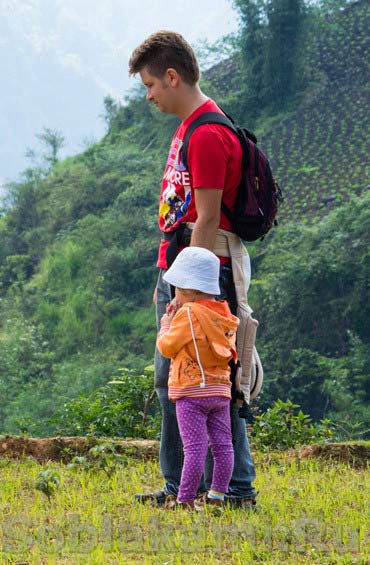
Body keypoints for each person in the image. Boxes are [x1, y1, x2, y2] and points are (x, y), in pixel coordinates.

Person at [128, 30, 258, 509]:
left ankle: (233, 488)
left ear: (172, 76)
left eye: (150, 85)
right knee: (180, 381)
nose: (148, 96)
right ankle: (187, 484)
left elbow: (205, 219)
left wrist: (187, 293)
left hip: (198, 276)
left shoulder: (206, 134)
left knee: (208, 382)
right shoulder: (191, 126)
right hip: (183, 271)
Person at [156, 247, 238, 510]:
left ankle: (185, 500)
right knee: (223, 446)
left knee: (194, 449)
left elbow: (167, 347)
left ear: (189, 289)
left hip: (191, 392)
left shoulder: (187, 314)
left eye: (178, 288)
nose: (176, 294)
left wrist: (166, 324)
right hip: (220, 391)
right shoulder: (223, 312)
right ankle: (217, 497)